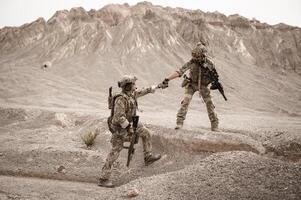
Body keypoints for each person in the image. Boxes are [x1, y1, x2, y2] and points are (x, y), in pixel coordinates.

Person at [98, 75, 161, 188]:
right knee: (115, 152)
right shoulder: (120, 99)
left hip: (130, 124)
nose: (135, 86)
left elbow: (143, 91)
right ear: (128, 86)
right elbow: (118, 117)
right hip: (119, 129)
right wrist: (129, 128)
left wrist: (156, 87)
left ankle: (148, 157)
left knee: (145, 132)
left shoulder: (131, 95)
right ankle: (103, 178)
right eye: (133, 84)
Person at [161, 42, 219, 131]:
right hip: (191, 84)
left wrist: (214, 82)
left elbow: (215, 77)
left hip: (203, 86)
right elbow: (180, 71)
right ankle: (179, 123)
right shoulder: (192, 62)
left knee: (210, 104)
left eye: (197, 57)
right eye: (194, 56)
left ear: (203, 55)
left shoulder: (210, 64)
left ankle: (215, 125)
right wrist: (167, 79)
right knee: (185, 102)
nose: (195, 58)